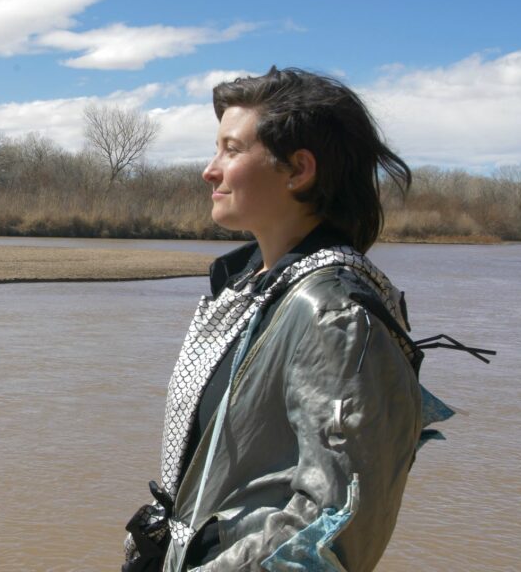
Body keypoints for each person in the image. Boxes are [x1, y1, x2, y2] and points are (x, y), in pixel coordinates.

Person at [123, 67, 442, 572]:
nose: (209, 170)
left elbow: (336, 523)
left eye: (231, 150)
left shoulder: (334, 314)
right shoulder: (251, 288)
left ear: (298, 170)